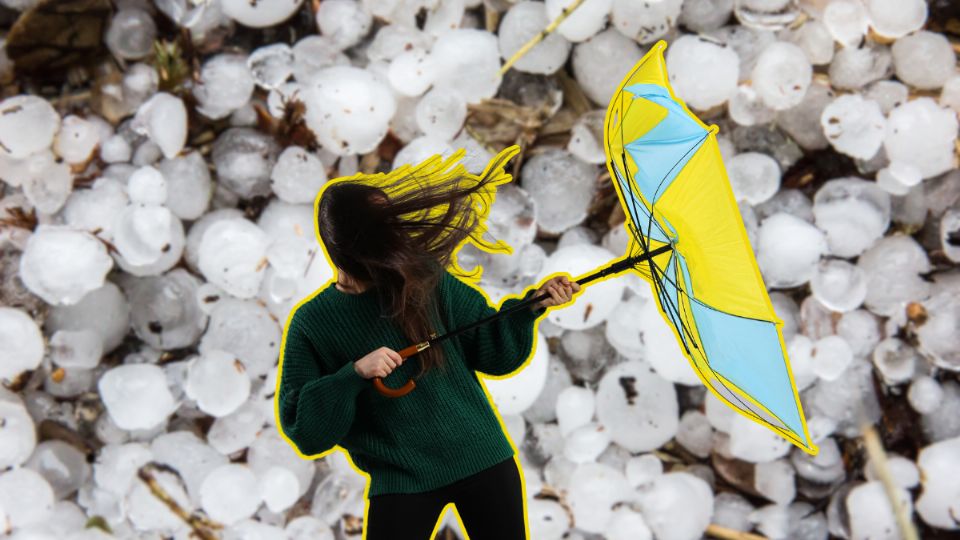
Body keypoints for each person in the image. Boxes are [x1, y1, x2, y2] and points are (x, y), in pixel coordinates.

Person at [275, 146, 581, 540]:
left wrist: (529, 308)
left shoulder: (425, 279)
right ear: (350, 247)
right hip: (401, 478)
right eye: (382, 229)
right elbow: (305, 430)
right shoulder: (312, 322)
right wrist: (352, 375)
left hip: (481, 456)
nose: (397, 236)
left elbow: (492, 351)